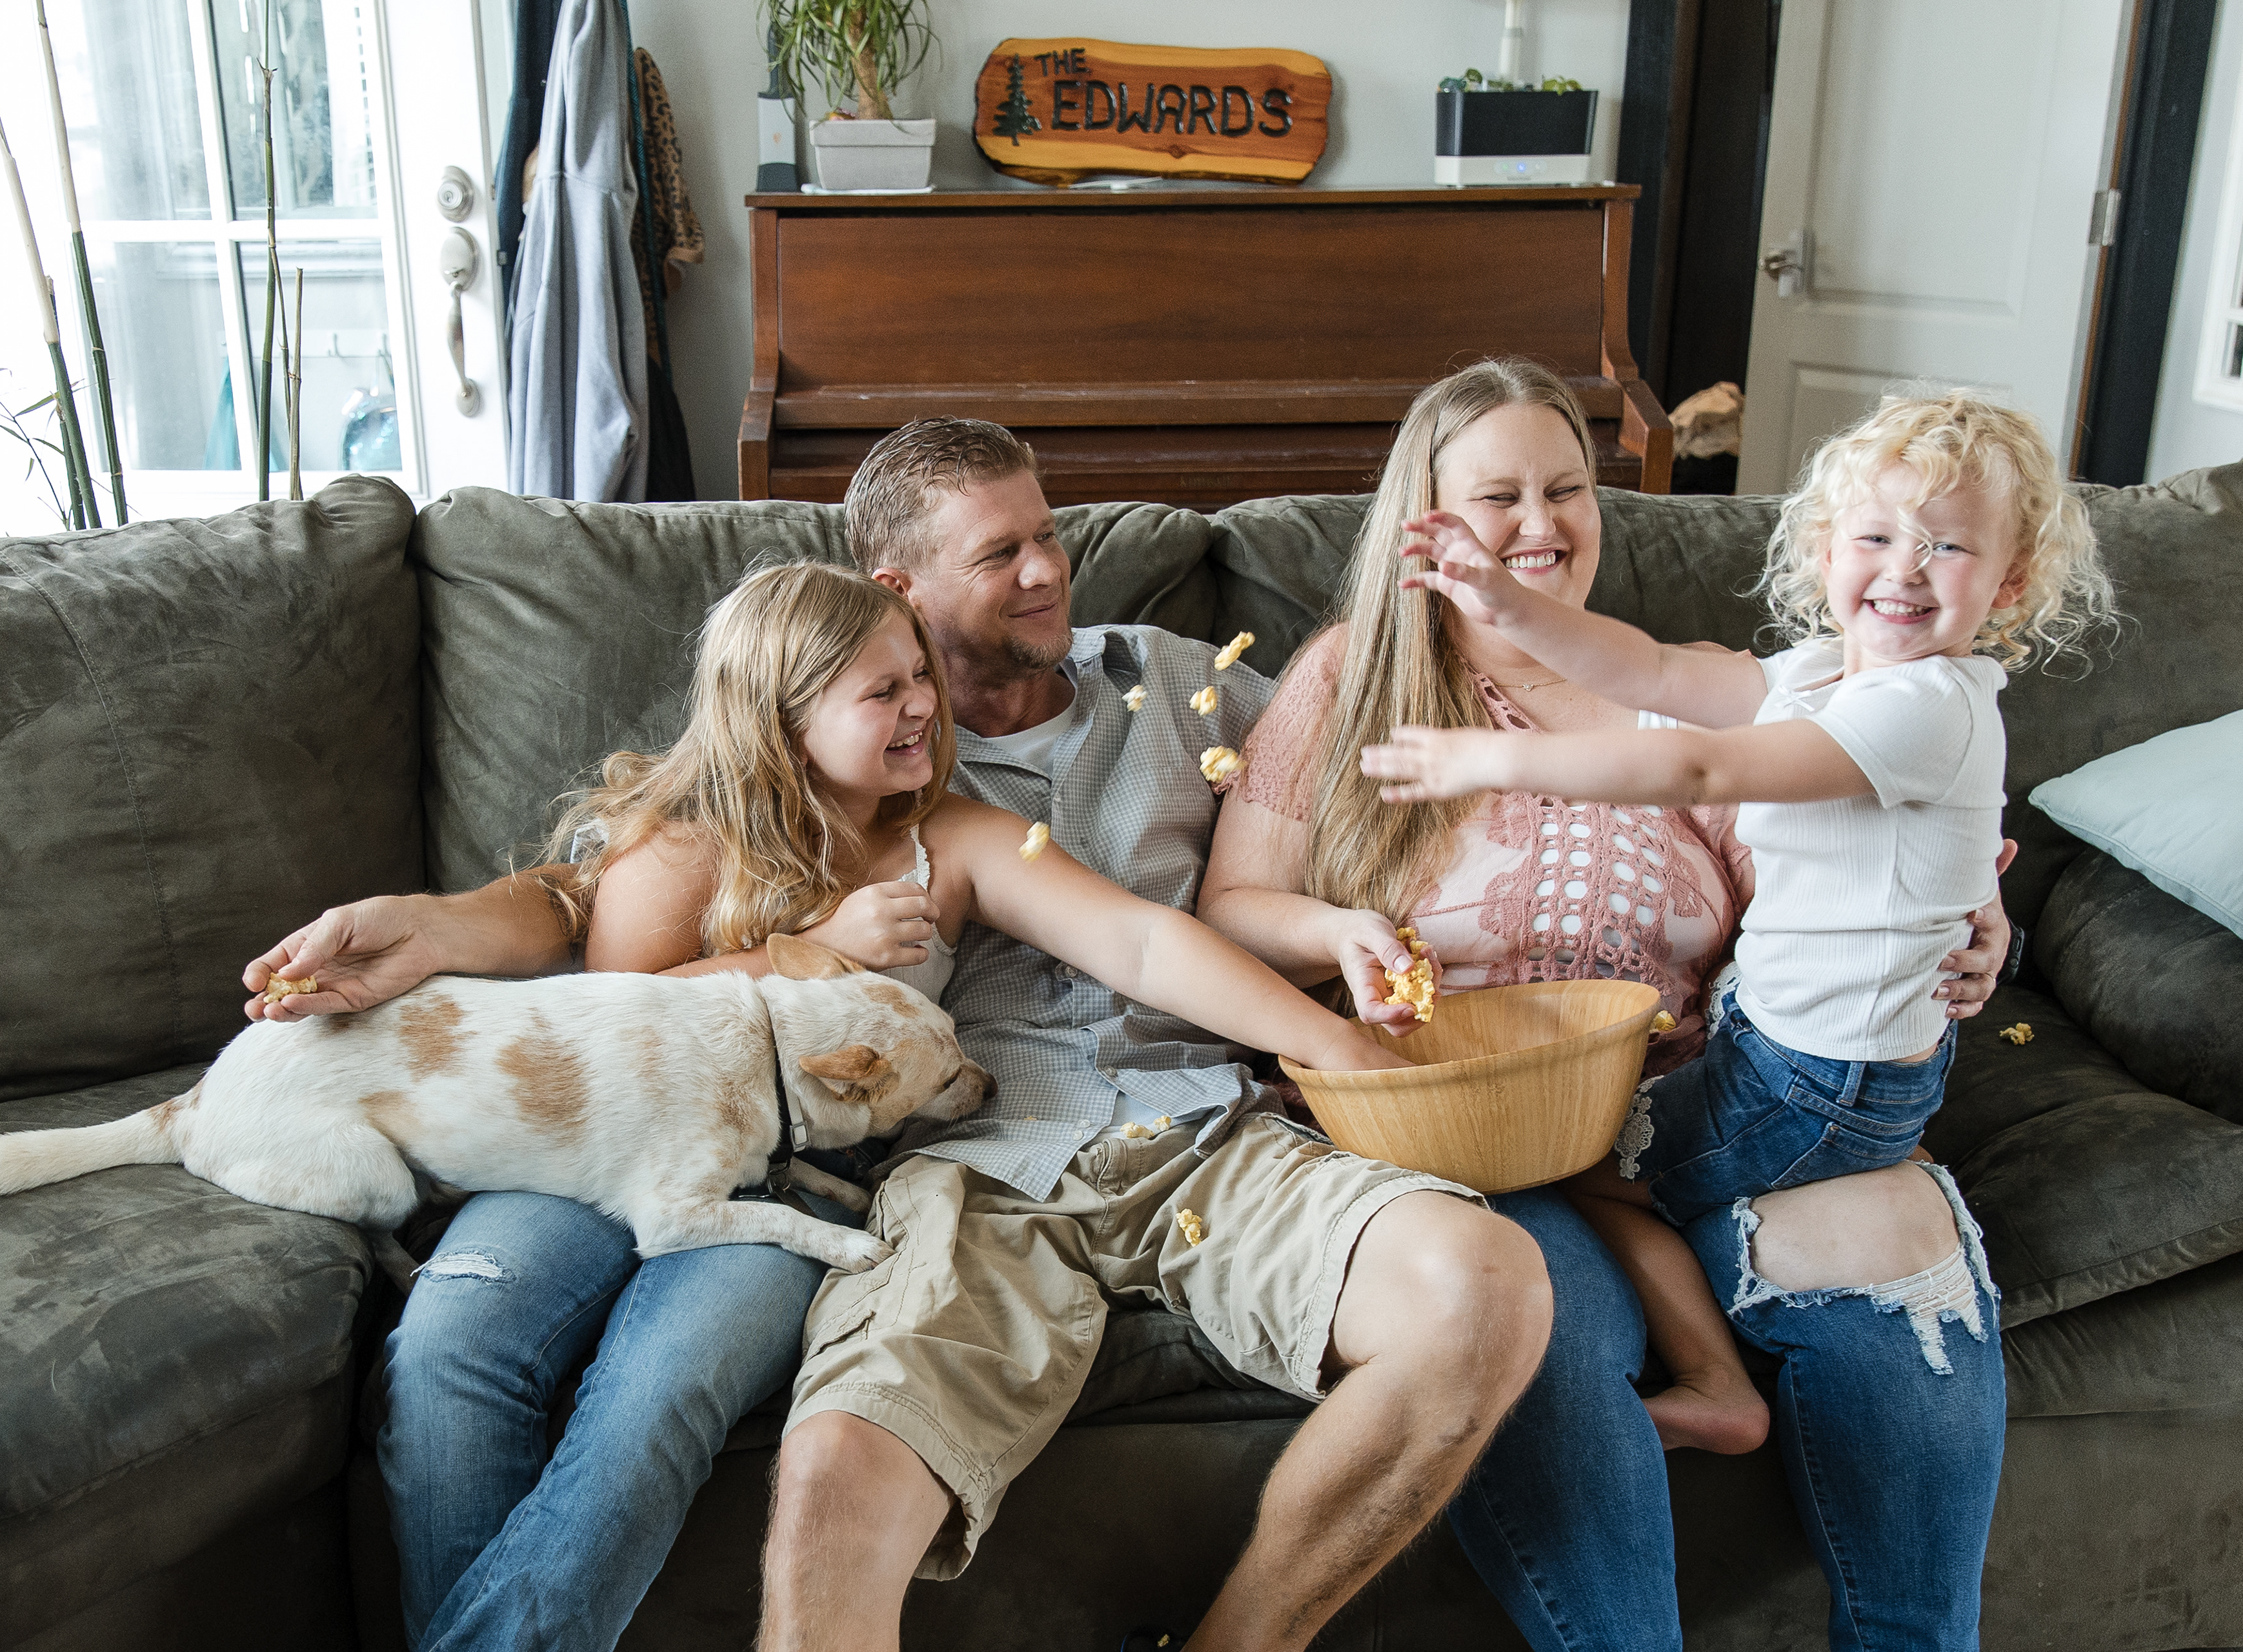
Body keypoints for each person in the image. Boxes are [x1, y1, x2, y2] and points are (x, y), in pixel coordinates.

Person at [243, 553, 1420, 1651]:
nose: (923, 706)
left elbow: (1142, 943)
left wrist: (1325, 1038)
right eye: (881, 691)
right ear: (785, 724)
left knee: (657, 1396)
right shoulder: (682, 842)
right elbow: (617, 1013)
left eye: (920, 676)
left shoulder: (949, 835)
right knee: (452, 1348)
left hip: (792, 1187)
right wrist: (807, 951)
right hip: (594, 1157)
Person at [1198, 359, 2022, 1652]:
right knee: (1541, 1313)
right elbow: (1232, 909)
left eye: (1567, 489)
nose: (1541, 525)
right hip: (1463, 1127)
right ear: (1428, 517)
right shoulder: (1354, 674)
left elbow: (1844, 870)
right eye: (1500, 496)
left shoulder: (1693, 692)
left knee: (1899, 1265)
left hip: (1702, 1099)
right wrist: (1335, 928)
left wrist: (1978, 927)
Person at [756, 418, 1555, 1652]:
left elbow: (1384, 793)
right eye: (997, 555)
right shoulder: (845, 747)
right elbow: (637, 870)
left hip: (1207, 1129)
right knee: (828, 1471)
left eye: (1048, 534)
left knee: (1486, 1288)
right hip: (980, 1166)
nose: (1044, 572)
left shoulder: (1185, 684)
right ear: (895, 593)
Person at [1371, 388, 2114, 1471]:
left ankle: (1721, 1386)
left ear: (2008, 584)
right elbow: (1654, 674)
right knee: (1597, 1153)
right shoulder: (1822, 675)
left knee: (1587, 1162)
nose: (1903, 570)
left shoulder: (1928, 706)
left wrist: (1491, 759)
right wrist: (1504, 603)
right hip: (1780, 1049)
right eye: (1875, 536)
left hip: (1827, 1082)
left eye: (1946, 548)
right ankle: (1724, 1361)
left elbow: (1702, 763)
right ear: (1824, 551)